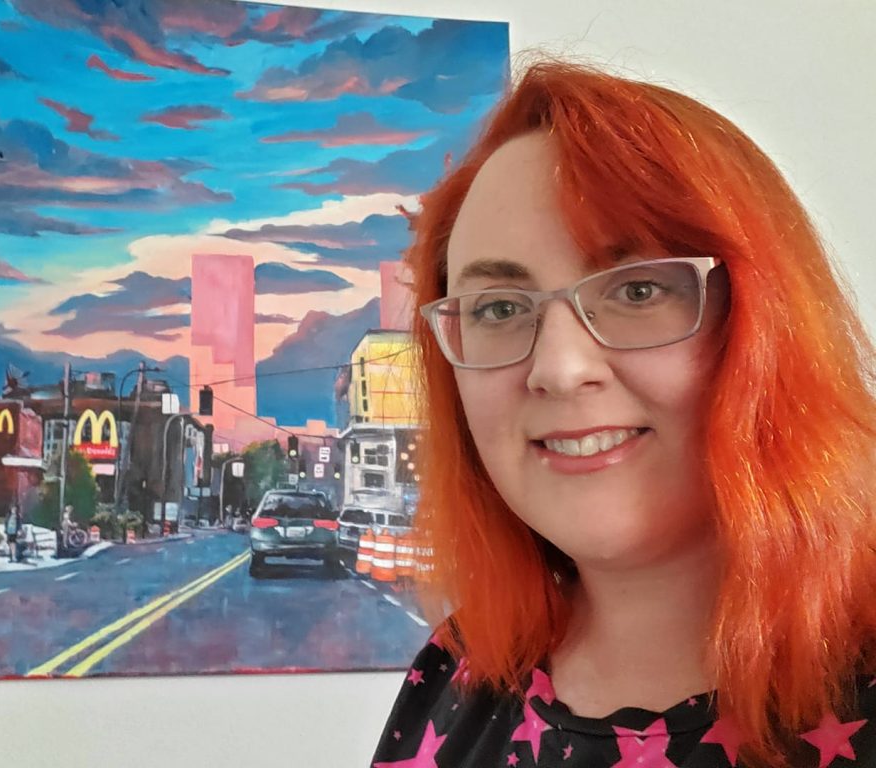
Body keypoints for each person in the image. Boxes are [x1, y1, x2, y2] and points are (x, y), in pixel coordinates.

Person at [371, 60, 876, 768]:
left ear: (768, 324)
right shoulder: (457, 670)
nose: (559, 368)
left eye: (638, 291)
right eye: (501, 309)